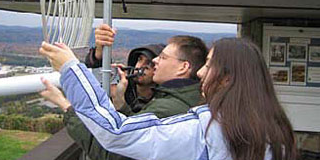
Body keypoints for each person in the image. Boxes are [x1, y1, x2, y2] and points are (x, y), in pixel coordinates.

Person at [40, 37, 297, 160]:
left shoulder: (205, 129)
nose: (201, 73)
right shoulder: (274, 131)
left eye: (209, 65)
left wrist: (71, 69)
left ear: (228, 78)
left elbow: (117, 134)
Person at [41, 31, 208, 160]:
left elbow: (111, 151)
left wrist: (65, 105)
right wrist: (121, 103)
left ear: (183, 67)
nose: (156, 61)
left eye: (162, 57)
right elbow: (138, 136)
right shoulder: (182, 99)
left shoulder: (167, 108)